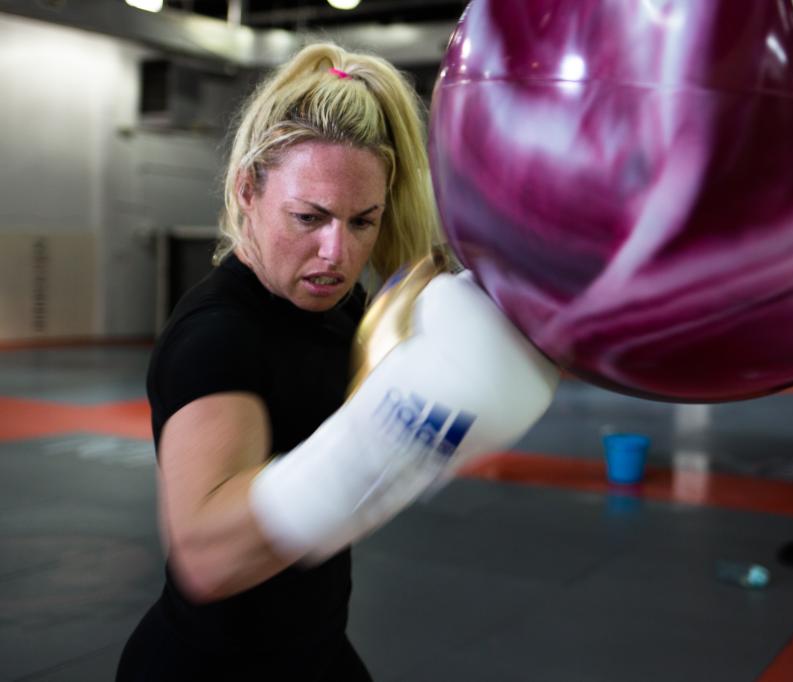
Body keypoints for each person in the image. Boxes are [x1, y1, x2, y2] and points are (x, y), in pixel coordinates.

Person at [117, 43, 559, 681]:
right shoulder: (216, 337)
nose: (336, 252)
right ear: (248, 190)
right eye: (309, 217)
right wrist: (398, 434)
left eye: (362, 222)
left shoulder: (344, 309)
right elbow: (206, 554)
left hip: (316, 651)